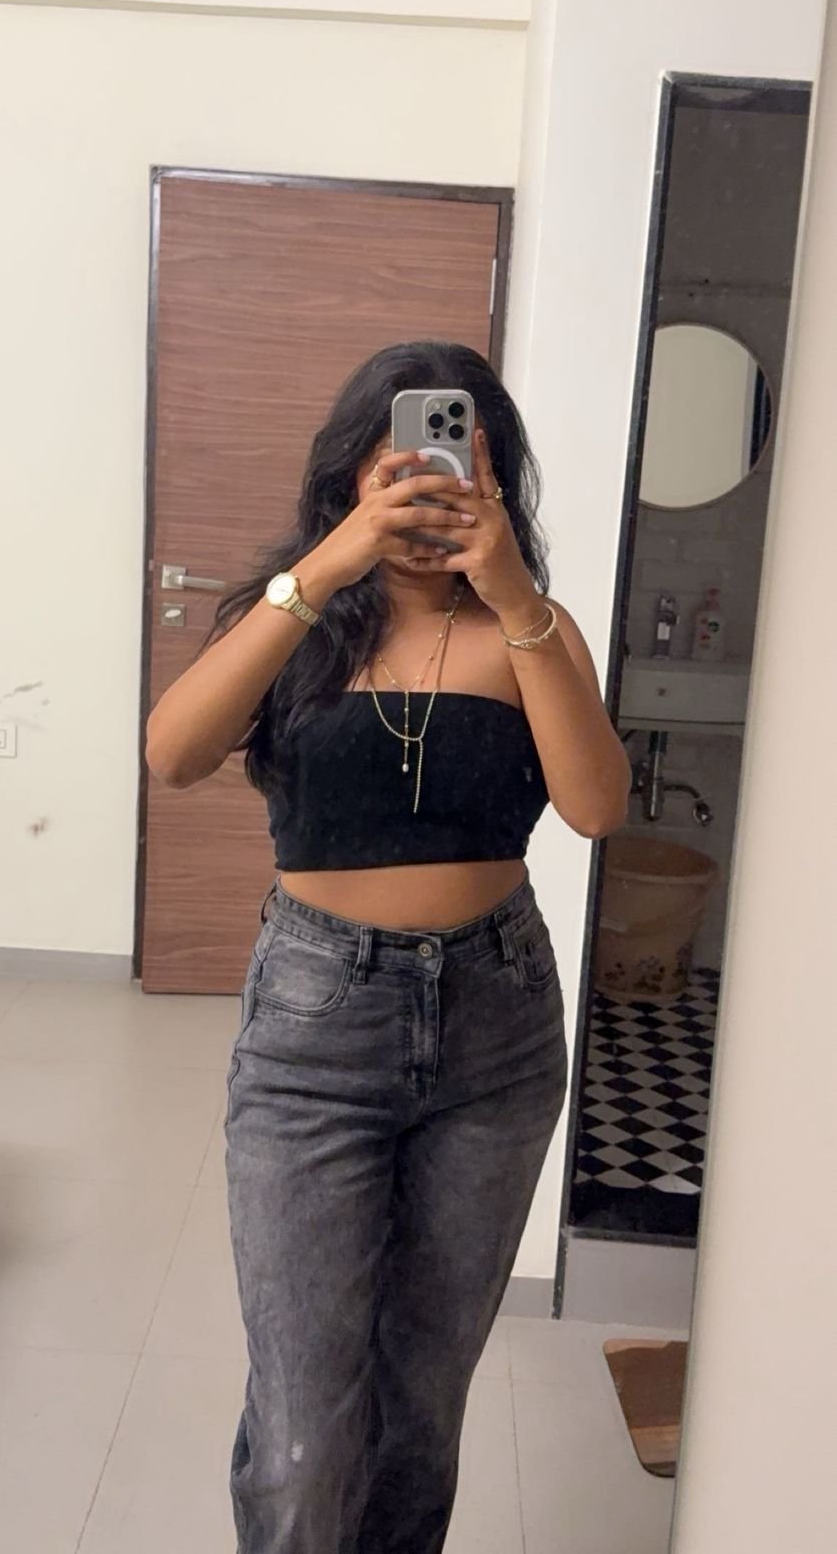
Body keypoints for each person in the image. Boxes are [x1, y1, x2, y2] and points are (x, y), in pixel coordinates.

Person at [146, 342, 631, 1553]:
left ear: (494, 480)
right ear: (353, 473)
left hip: (496, 1032)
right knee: (304, 1434)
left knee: (419, 1415)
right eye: (397, 465)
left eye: (456, 463)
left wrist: (514, 596)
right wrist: (331, 562)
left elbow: (595, 806)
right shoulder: (297, 617)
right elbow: (173, 752)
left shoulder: (532, 630)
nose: (427, 487)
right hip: (314, 1032)